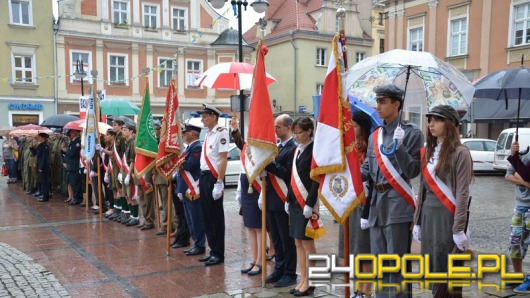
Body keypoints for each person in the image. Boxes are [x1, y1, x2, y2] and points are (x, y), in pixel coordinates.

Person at [360, 85, 424, 298]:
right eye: (377, 101)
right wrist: (346, 172)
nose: (378, 106)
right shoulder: (375, 136)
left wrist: (400, 147)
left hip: (398, 203)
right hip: (377, 204)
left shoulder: (412, 133)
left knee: (396, 263)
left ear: (396, 104)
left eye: (383, 102)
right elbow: (367, 170)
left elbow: (413, 170)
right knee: (380, 262)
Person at [413, 105, 472, 297]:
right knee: (433, 263)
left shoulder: (461, 153)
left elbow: (462, 193)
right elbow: (422, 189)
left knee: (450, 270)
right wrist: (417, 221)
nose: (431, 124)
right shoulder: (427, 152)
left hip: (448, 216)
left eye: (437, 120)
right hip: (429, 216)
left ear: (450, 124)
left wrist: (458, 228)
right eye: (430, 120)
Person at [338, 111, 373, 298]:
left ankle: (366, 290)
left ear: (363, 127)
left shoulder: (368, 148)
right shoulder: (349, 147)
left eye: (356, 126)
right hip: (350, 201)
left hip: (364, 201)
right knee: (354, 249)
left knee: (364, 249)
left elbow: (366, 174)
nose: (352, 129)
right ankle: (358, 287)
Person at [260, 114, 298, 288]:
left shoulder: (293, 148)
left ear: (288, 127)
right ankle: (279, 268)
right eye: (274, 127)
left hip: (283, 198)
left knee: (285, 238)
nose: (275, 130)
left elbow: (287, 174)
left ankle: (289, 272)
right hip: (271, 197)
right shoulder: (275, 147)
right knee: (275, 237)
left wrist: (270, 163)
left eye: (278, 127)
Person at [286, 117, 320, 296]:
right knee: (297, 242)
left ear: (308, 131)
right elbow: (293, 177)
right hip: (294, 201)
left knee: (307, 243)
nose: (297, 136)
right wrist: (287, 198)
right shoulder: (297, 150)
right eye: (295, 133)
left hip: (306, 201)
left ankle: (311, 281)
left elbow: (316, 179)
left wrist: (310, 203)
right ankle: (303, 278)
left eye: (299, 132)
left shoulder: (314, 150)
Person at [230, 116, 263, 277]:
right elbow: (241, 146)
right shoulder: (247, 146)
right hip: (246, 184)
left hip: (256, 186)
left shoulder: (263, 146)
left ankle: (261, 261)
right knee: (249, 226)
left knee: (259, 227)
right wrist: (235, 130)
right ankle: (253, 259)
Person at [197, 103, 229, 266]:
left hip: (213, 177)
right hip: (204, 177)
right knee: (206, 216)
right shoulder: (208, 134)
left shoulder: (221, 133)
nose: (202, 119)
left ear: (214, 117)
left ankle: (219, 253)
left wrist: (219, 182)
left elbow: (223, 159)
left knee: (215, 217)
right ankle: (212, 250)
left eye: (205, 117)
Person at [176, 123, 206, 256]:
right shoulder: (189, 148)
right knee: (189, 219)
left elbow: (190, 166)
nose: (184, 134)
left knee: (196, 219)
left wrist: (178, 158)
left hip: (193, 188)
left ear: (193, 134)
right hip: (186, 187)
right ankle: (196, 243)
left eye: (186, 132)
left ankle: (200, 244)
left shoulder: (197, 147)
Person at [505, 140, 530, 294]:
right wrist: (526, 183)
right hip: (520, 206)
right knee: (515, 243)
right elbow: (508, 175)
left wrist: (520, 175)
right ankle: (517, 275)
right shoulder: (523, 154)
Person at [63, 128, 83, 205]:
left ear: (75, 132)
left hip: (75, 165)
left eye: (71, 132)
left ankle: (77, 198)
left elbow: (72, 153)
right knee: (72, 182)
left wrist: (66, 150)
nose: (70, 133)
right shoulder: (73, 141)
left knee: (76, 183)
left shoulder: (78, 142)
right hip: (71, 165)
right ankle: (75, 197)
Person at [32, 132, 51, 202]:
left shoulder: (46, 146)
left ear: (43, 138)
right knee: (42, 181)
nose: (38, 138)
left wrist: (41, 167)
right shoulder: (40, 145)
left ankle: (45, 196)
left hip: (44, 166)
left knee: (44, 182)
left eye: (39, 137)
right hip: (40, 164)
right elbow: (36, 153)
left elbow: (44, 157)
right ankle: (43, 194)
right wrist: (31, 147)